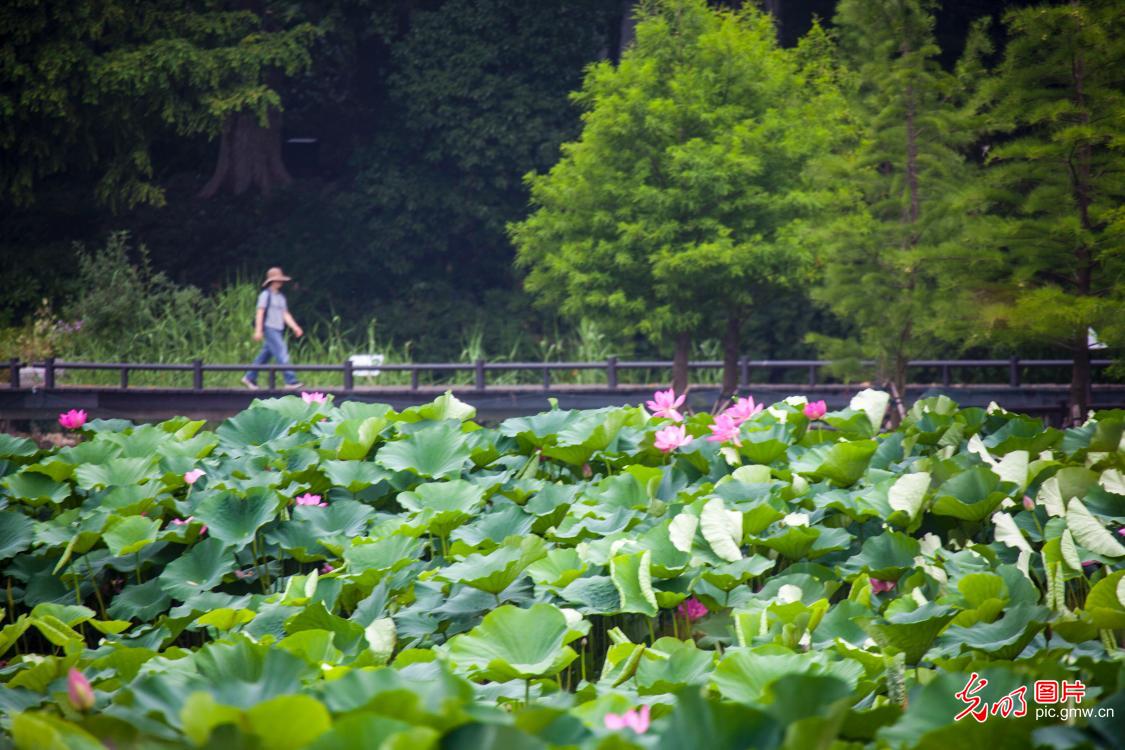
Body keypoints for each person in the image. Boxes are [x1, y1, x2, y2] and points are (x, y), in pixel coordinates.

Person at [242, 267, 304, 389]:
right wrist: (258, 330)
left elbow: (285, 314)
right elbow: (260, 312)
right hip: (269, 328)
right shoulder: (265, 295)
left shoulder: (281, 297)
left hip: (278, 328)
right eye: (277, 280)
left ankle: (249, 377)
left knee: (265, 355)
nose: (279, 282)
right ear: (271, 281)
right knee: (282, 351)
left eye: (280, 280)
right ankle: (290, 380)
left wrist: (295, 327)